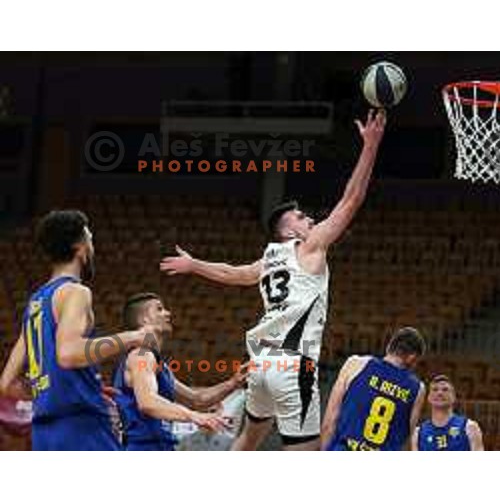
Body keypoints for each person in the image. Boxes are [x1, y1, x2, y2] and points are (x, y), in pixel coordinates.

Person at [160, 110, 387, 450]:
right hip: (294, 365)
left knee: (249, 441)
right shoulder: (309, 245)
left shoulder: (268, 260)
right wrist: (370, 146)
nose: (309, 218)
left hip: (262, 364)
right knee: (304, 451)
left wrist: (194, 265)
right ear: (289, 230)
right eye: (301, 216)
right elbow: (351, 200)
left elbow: (230, 273)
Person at [0, 210, 152, 450]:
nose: (92, 248)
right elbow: (69, 354)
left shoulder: (36, 302)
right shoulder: (75, 292)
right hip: (81, 428)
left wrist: (70, 388)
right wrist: (134, 337)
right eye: (90, 240)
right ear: (80, 247)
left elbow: (6, 383)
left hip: (43, 432)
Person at [113, 292, 248, 451]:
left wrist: (233, 383)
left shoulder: (158, 364)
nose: (168, 313)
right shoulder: (141, 356)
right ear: (144, 320)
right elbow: (147, 402)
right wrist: (194, 416)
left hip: (161, 445)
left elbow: (197, 400)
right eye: (159, 309)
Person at [321, 327, 426, 451]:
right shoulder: (418, 388)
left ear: (389, 347)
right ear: (412, 358)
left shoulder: (355, 364)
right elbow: (409, 440)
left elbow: (330, 421)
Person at [412, 374, 484, 451]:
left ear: (453, 397)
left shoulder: (470, 427)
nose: (440, 393)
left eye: (445, 389)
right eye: (435, 389)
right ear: (429, 398)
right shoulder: (418, 433)